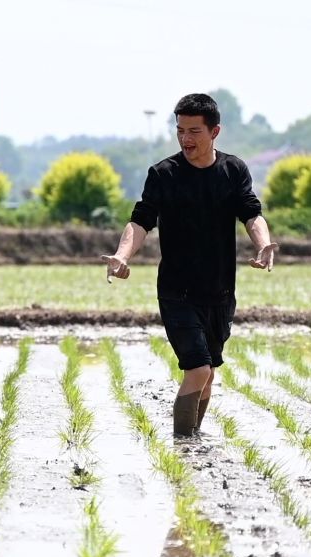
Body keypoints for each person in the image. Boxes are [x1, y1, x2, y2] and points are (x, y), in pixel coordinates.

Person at [102, 93, 277, 437]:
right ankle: (183, 444)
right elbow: (140, 222)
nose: (186, 138)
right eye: (180, 130)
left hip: (220, 291)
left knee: (208, 375)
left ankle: (193, 439)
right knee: (198, 370)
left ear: (215, 132)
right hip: (176, 292)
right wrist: (122, 256)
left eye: (194, 130)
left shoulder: (233, 170)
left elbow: (251, 213)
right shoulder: (164, 174)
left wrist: (263, 244)